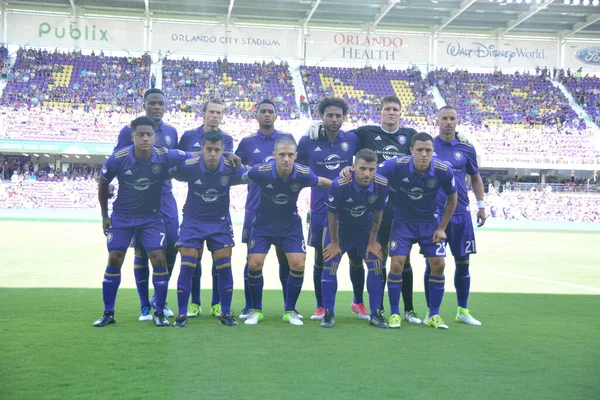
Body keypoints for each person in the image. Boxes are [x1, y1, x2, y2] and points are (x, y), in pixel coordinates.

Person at [308, 96, 421, 324]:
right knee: (330, 260)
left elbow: (427, 146)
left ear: (401, 113)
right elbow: (340, 131)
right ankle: (328, 311)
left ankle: (390, 311)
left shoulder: (409, 135)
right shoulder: (364, 135)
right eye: (387, 108)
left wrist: (459, 135)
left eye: (395, 109)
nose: (391, 112)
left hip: (395, 211)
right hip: (346, 223)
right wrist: (317, 127)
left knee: (393, 261)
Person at [93, 117, 193, 327]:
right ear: (133, 137)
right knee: (115, 258)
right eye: (140, 134)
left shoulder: (164, 155)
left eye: (149, 134)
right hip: (123, 216)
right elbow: (103, 182)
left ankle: (158, 312)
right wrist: (104, 215)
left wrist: (226, 154)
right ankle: (108, 312)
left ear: (155, 137)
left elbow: (194, 155)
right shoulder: (118, 158)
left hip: (151, 217)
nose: (145, 138)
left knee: (158, 257)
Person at [242, 136, 332, 326]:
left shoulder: (303, 173)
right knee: (254, 264)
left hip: (289, 224)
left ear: (296, 156)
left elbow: (321, 182)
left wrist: (343, 186)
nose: (286, 159)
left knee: (298, 264)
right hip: (263, 223)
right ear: (274, 155)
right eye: (282, 154)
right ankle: (255, 310)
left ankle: (290, 310)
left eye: (290, 155)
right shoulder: (261, 171)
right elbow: (238, 178)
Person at [377, 132, 457, 329]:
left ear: (433, 151)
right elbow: (372, 175)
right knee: (396, 264)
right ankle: (395, 313)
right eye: (419, 150)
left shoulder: (443, 169)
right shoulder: (396, 165)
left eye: (428, 150)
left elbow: (452, 199)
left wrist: (442, 228)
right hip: (402, 221)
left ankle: (434, 315)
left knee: (439, 265)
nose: (424, 154)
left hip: (429, 222)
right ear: (411, 150)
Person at [297, 97, 365, 321]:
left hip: (349, 209)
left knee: (355, 255)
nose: (334, 120)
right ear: (322, 117)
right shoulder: (308, 141)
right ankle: (321, 306)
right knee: (321, 257)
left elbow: (373, 141)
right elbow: (299, 167)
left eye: (338, 116)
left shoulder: (353, 139)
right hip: (320, 208)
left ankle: (358, 302)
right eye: (330, 115)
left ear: (344, 118)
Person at [114, 89, 179, 321]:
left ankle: (158, 299)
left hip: (164, 195)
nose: (157, 107)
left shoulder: (171, 132)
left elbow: (175, 163)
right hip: (139, 197)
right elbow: (116, 160)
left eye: (160, 103)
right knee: (142, 249)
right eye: (152, 103)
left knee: (172, 242)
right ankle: (144, 305)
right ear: (144, 105)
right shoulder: (129, 131)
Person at [170, 130, 246, 328]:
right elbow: (169, 170)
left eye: (217, 150)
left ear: (223, 151)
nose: (213, 154)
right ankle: (181, 314)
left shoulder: (232, 167)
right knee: (187, 266)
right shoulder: (189, 166)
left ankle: (226, 313)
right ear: (202, 149)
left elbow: (252, 174)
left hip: (219, 222)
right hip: (192, 222)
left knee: (224, 267)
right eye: (209, 149)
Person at [423, 106, 486, 326]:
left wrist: (481, 205)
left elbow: (476, 178)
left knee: (463, 263)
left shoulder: (466, 149)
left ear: (457, 122)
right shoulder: (428, 147)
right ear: (437, 121)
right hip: (435, 215)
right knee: (433, 264)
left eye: (452, 119)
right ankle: (432, 312)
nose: (448, 122)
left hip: (461, 214)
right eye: (444, 119)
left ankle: (463, 310)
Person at [234, 99, 295, 319]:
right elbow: (235, 167)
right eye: (263, 111)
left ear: (276, 116)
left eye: (271, 111)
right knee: (252, 259)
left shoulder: (286, 141)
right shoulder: (247, 143)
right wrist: (247, 168)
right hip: (255, 209)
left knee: (286, 259)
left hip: (284, 212)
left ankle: (290, 307)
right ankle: (250, 305)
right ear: (257, 115)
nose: (267, 115)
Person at [177, 99, 234, 319]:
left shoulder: (227, 139)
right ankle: (194, 303)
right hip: (195, 212)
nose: (215, 116)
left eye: (219, 112)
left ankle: (218, 305)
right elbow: (178, 162)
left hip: (218, 214)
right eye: (211, 111)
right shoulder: (188, 136)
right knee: (193, 260)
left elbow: (229, 167)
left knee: (219, 262)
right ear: (203, 113)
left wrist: (231, 156)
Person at [321, 149, 390, 328]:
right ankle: (328, 313)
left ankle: (376, 313)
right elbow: (332, 215)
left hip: (364, 229)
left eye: (371, 169)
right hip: (340, 229)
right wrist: (335, 243)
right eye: (362, 169)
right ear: (353, 167)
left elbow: (378, 213)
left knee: (376, 263)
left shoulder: (382, 184)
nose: (367, 174)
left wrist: (373, 241)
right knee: (331, 261)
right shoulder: (340, 184)